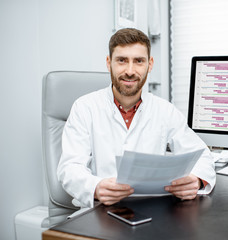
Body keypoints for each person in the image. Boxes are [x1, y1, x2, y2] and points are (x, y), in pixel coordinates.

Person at [57, 28, 216, 208]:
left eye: (139, 61)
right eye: (122, 60)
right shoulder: (84, 107)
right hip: (99, 210)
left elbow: (202, 154)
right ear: (109, 63)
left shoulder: (165, 110)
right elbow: (69, 168)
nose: (130, 71)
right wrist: (95, 187)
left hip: (153, 210)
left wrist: (196, 180)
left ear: (150, 64)